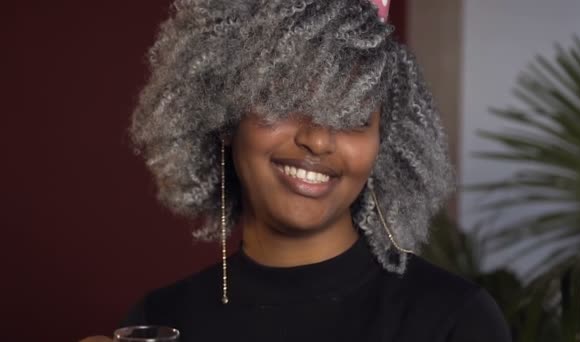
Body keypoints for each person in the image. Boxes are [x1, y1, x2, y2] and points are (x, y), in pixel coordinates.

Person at [82, 0, 511, 341]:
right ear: (226, 118)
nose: (319, 140)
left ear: (386, 143)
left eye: (354, 115)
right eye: (286, 103)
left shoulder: (453, 320)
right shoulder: (161, 319)